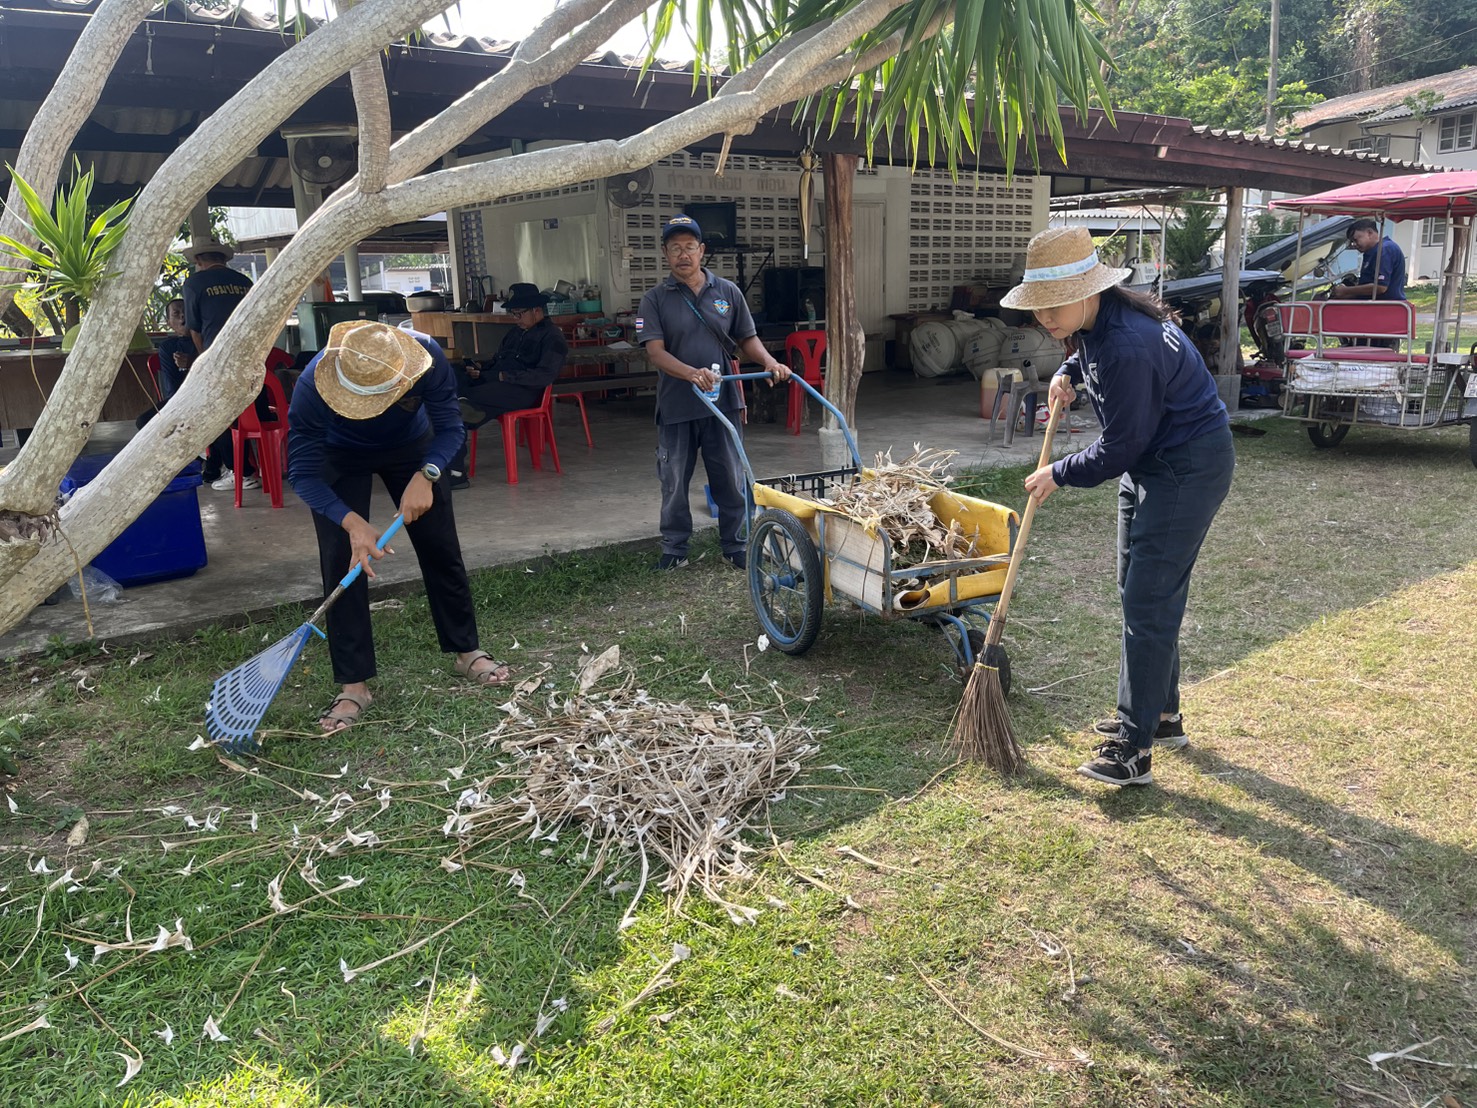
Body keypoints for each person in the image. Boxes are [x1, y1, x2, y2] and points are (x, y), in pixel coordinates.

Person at [1005, 227, 1234, 787]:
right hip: (1152, 464)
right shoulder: (1097, 326)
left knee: (1147, 600)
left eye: (1053, 307)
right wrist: (1065, 373)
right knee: (1141, 589)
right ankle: (1161, 716)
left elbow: (1121, 446)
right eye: (1038, 310)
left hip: (1185, 467)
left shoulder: (1129, 341)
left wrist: (1058, 472)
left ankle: (1132, 751)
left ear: (1088, 290)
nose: (1045, 320)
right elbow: (1088, 362)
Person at [287, 320, 513, 735]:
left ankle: (466, 650)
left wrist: (427, 473)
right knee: (344, 562)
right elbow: (302, 473)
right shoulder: (310, 385)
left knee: (440, 547)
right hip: (340, 455)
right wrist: (352, 522)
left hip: (412, 448)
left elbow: (450, 427)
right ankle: (354, 684)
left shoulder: (426, 359)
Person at [636, 214, 790, 571]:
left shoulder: (728, 292)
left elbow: (746, 339)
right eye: (675, 248)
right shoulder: (654, 299)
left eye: (689, 247)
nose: (683, 254)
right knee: (673, 481)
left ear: (702, 250)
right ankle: (675, 549)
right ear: (665, 253)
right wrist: (692, 374)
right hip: (677, 405)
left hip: (724, 402)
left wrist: (771, 362)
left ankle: (735, 546)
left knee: (731, 479)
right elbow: (654, 352)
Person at [448, 282, 568, 488]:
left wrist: (502, 376)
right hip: (498, 383)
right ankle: (470, 407)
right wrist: (480, 369)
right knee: (452, 379)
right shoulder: (515, 333)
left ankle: (455, 471)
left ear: (536, 310)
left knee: (461, 405)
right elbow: (498, 359)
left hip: (524, 391)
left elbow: (543, 376)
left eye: (519, 314)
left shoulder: (552, 337)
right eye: (513, 314)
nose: (515, 319)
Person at [181, 237, 260, 491]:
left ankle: (242, 472)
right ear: (223, 259)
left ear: (198, 260)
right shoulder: (244, 282)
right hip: (252, 358)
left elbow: (194, 328)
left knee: (219, 418)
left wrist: (206, 360)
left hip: (220, 359)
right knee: (248, 416)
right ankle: (247, 469)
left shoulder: (194, 283)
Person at [135, 298, 194, 429]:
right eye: (176, 313)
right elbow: (172, 389)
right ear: (169, 323)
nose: (182, 316)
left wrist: (191, 362)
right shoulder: (168, 347)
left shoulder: (206, 339)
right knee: (143, 422)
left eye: (186, 312)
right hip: (179, 400)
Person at [1330, 218, 1406, 302]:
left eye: (1355, 240)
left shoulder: (1384, 250)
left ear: (1369, 233)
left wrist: (1346, 291)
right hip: (1375, 304)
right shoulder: (1372, 252)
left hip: (1385, 307)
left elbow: (1380, 287)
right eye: (1352, 242)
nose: (1354, 245)